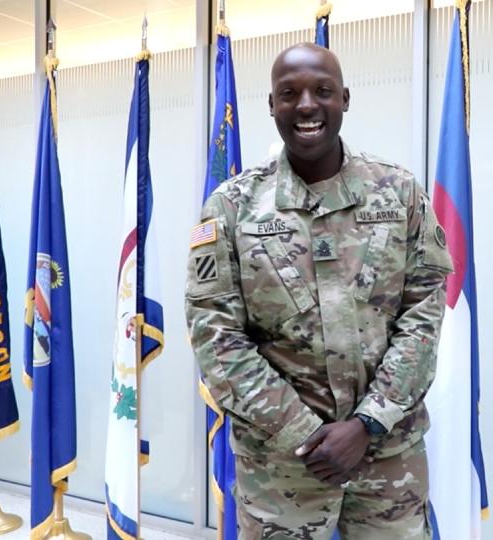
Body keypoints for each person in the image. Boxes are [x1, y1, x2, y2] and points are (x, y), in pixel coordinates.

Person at [185, 43, 453, 540]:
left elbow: (424, 315)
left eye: (322, 91)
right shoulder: (232, 207)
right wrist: (306, 435)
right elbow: (217, 339)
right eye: (289, 94)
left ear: (345, 99)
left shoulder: (399, 193)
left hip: (388, 461)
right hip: (281, 468)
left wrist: (368, 424)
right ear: (271, 105)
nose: (306, 105)